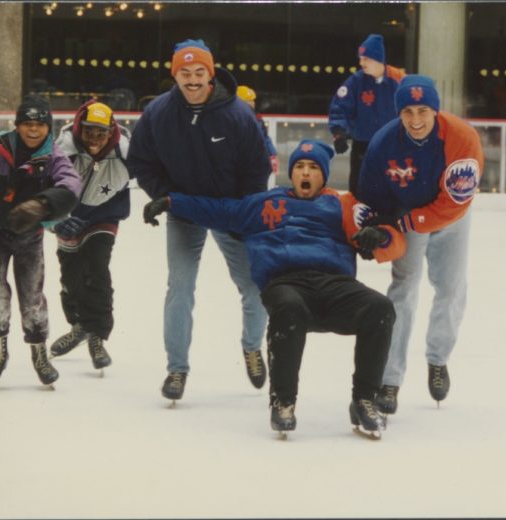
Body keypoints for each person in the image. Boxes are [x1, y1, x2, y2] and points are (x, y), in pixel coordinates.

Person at [143, 140, 405, 438]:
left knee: (380, 308)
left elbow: (393, 242)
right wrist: (170, 202)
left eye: (314, 168)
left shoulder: (342, 204)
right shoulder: (262, 203)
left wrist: (380, 236)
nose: (306, 173)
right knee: (288, 307)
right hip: (286, 283)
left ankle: (364, 400)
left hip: (335, 284)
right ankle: (283, 401)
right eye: (300, 167)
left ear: (325, 175)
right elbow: (217, 209)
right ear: (291, 174)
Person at [126, 39, 272, 403]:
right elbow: (141, 160)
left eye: (199, 72)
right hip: (185, 209)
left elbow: (256, 171)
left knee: (254, 285)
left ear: (211, 73)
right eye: (184, 73)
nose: (192, 80)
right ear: (175, 75)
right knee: (180, 286)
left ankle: (253, 348)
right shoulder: (159, 112)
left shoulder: (238, 114)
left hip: (230, 210)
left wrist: (245, 213)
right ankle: (177, 367)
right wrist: (162, 193)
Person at [356, 74, 484, 415]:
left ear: (435, 111)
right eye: (408, 111)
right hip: (406, 214)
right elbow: (372, 198)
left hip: (451, 217)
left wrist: (410, 222)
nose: (416, 119)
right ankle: (390, 379)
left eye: (423, 110)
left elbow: (456, 201)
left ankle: (438, 359)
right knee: (403, 288)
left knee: (450, 287)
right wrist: (375, 229)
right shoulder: (384, 143)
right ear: (399, 112)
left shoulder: (462, 138)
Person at [0, 95, 82, 388]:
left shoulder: (54, 157)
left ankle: (39, 353)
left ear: (48, 127)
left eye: (40, 125)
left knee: (32, 296)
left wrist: (43, 206)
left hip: (29, 235)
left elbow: (71, 184)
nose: (33, 130)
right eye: (27, 124)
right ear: (18, 125)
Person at [48, 100, 133, 372]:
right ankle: (79, 325)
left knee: (97, 267)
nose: (94, 140)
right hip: (68, 216)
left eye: (101, 133)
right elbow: (44, 187)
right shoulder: (63, 150)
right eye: (88, 132)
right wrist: (57, 220)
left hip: (104, 217)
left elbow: (158, 168)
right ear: (78, 129)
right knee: (70, 276)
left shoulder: (125, 153)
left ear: (111, 132)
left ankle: (97, 335)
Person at [328, 33, 405, 196]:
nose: (361, 62)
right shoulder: (356, 82)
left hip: (393, 145)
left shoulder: (399, 81)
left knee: (391, 187)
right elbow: (340, 107)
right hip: (363, 144)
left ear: (378, 59)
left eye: (365, 58)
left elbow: (413, 108)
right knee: (359, 188)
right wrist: (339, 133)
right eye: (360, 58)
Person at [237, 85, 280, 188]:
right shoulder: (234, 120)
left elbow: (265, 138)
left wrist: (272, 155)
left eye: (252, 100)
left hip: (257, 165)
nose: (251, 103)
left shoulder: (258, 120)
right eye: (247, 101)